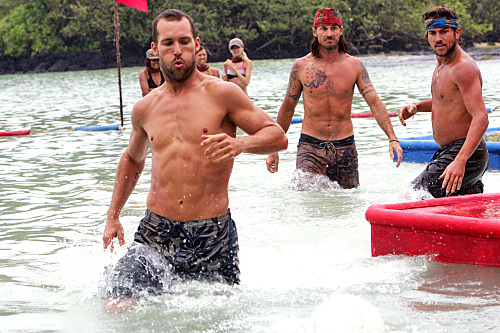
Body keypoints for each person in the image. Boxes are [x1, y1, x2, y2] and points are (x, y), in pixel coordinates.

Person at [102, 9, 287, 310]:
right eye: (168, 43)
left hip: (212, 235)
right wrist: (113, 215)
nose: (178, 51)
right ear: (155, 48)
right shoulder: (145, 108)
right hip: (155, 232)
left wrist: (240, 143)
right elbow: (132, 160)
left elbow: (277, 136)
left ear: (196, 44)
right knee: (117, 304)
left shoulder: (223, 94)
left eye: (184, 42)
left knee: (216, 317)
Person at [266, 8, 402, 189]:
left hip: (345, 147)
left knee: (348, 203)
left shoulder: (355, 66)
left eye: (333, 28)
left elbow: (374, 102)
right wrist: (274, 147)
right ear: (315, 32)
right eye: (323, 28)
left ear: (341, 30)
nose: (329, 33)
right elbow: (288, 106)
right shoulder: (301, 66)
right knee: (307, 201)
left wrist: (392, 138)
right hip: (310, 147)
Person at [399, 6, 489, 198]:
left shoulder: (463, 67)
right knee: (459, 211)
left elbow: (481, 118)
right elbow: (446, 101)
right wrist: (417, 107)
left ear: (457, 33)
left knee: (409, 196)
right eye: (432, 33)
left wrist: (460, 161)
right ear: (427, 36)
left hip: (465, 152)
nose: (438, 38)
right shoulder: (443, 64)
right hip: (453, 151)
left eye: (444, 32)